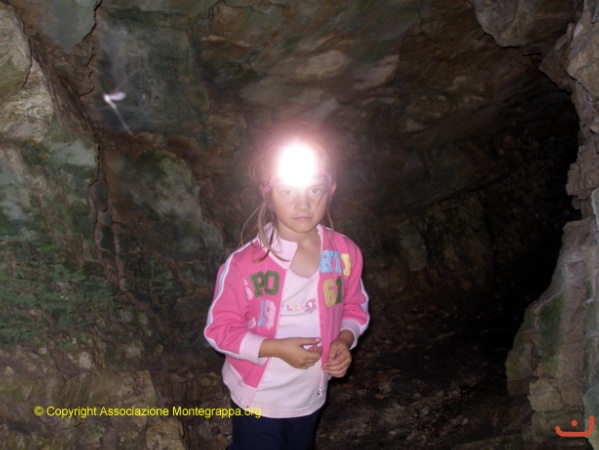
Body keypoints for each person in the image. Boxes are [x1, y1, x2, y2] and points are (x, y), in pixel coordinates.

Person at [204, 128, 370, 450]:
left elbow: (354, 307)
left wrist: (344, 340)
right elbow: (219, 330)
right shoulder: (245, 264)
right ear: (267, 194)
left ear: (331, 190)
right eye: (288, 191)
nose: (303, 204)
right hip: (258, 399)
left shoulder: (345, 254)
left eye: (315, 190)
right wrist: (275, 348)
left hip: (310, 396)